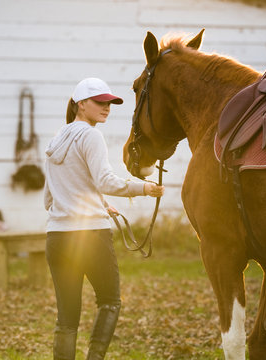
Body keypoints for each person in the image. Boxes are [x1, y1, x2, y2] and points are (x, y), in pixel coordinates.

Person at [43, 77, 164, 360]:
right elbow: (105, 180)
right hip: (91, 236)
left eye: (109, 103)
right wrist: (143, 188)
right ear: (80, 104)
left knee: (66, 319)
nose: (106, 107)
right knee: (110, 301)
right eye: (99, 102)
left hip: (57, 237)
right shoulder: (91, 135)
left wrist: (98, 204)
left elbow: (50, 198)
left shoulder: (55, 139)